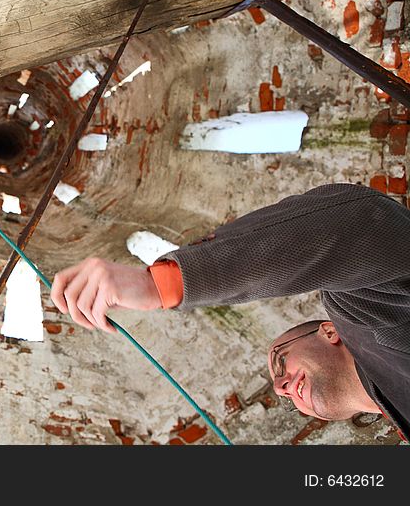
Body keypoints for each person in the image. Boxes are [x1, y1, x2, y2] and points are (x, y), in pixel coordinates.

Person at [50, 183, 410, 439]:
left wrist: (162, 284)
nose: (283, 388)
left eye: (280, 361)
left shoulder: (366, 316)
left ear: (330, 332)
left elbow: (363, 224)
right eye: (281, 391)